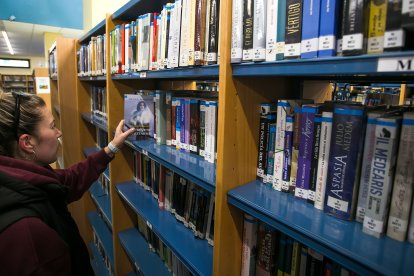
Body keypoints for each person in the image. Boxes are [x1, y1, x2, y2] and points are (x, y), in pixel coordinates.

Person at [0, 91, 135, 275]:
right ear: (27, 142)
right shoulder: (27, 234)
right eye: (52, 126)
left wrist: (111, 148)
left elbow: (69, 180)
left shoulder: (23, 177)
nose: (59, 132)